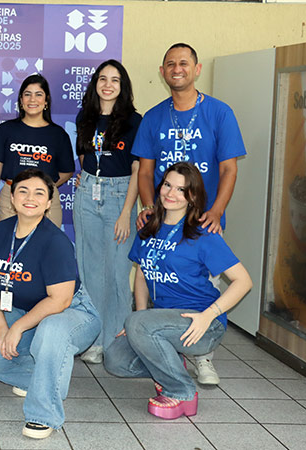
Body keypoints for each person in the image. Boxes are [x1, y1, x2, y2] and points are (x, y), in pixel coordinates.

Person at [132, 43, 246, 385]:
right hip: (163, 219)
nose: (176, 68)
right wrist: (150, 209)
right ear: (162, 72)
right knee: (163, 284)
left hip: (202, 221)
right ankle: (168, 353)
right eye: (170, 64)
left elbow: (229, 170)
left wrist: (216, 210)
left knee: (203, 290)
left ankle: (203, 355)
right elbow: (144, 172)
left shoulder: (219, 113)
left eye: (184, 63)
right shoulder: (153, 117)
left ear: (196, 69)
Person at [104, 162, 252, 419]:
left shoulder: (203, 233)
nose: (170, 194)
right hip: (161, 321)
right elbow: (142, 273)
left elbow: (243, 281)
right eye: (167, 185)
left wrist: (208, 316)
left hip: (202, 324)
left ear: (192, 196)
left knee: (139, 326)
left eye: (181, 190)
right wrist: (139, 319)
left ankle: (182, 391)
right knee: (115, 359)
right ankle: (172, 365)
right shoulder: (149, 226)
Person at [0, 168, 100, 440]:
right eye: (23, 191)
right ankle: (45, 380)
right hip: (24, 310)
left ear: (49, 202)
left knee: (50, 330)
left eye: (39, 192)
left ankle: (43, 414)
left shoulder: (55, 241)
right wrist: (3, 327)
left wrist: (17, 329)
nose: (31, 198)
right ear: (13, 198)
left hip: (72, 312)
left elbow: (60, 300)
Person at [73, 60, 142, 364]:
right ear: (95, 84)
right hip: (88, 193)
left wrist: (127, 211)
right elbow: (86, 155)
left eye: (115, 80)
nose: (108, 85)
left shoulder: (133, 121)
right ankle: (95, 340)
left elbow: (138, 167)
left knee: (116, 273)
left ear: (122, 86)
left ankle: (117, 341)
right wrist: (85, 178)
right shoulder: (85, 117)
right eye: (103, 78)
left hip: (119, 196)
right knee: (90, 272)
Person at [0, 74, 75, 228]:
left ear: (46, 101)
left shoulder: (58, 135)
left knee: (47, 250)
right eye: (27, 94)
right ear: (21, 100)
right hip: (10, 200)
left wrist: (44, 187)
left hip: (46, 202)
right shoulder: (6, 130)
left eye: (38, 94)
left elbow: (67, 171)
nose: (32, 100)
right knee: (9, 249)